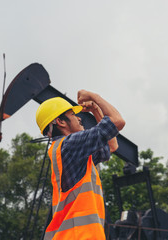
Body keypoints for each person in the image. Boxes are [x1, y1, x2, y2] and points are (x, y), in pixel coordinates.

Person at [35, 89, 125, 240]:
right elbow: (117, 121)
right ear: (61, 121)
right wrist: (95, 97)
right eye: (73, 115)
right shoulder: (70, 145)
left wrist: (96, 110)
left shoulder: (69, 151)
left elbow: (112, 146)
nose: (79, 119)